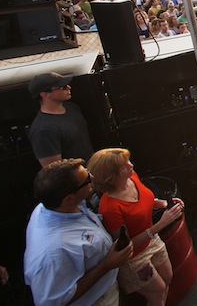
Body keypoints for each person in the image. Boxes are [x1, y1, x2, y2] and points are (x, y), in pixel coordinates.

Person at [24, 159, 133, 306]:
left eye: (87, 171)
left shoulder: (56, 206)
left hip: (108, 288)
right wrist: (106, 265)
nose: (92, 177)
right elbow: (52, 301)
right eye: (87, 179)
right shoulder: (52, 254)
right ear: (69, 198)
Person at [88, 149, 184, 306]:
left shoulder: (132, 177)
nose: (130, 165)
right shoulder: (110, 208)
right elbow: (127, 247)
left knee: (167, 277)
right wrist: (161, 224)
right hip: (135, 258)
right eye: (124, 166)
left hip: (151, 240)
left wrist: (162, 203)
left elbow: (144, 200)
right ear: (111, 175)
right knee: (157, 292)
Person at [28, 73, 94, 168]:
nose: (69, 87)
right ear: (44, 94)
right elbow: (54, 171)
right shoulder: (44, 130)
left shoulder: (72, 108)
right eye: (62, 87)